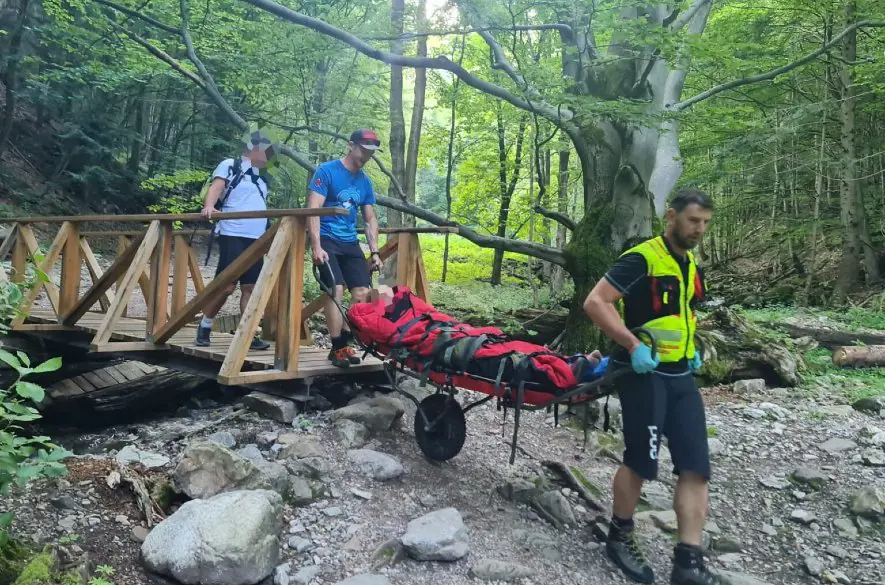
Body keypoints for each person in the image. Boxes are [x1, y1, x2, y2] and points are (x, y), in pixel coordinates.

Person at [583, 189, 727, 585]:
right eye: (693, 220)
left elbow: (683, 310)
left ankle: (688, 562)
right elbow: (596, 302)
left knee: (696, 468)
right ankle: (619, 536)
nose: (700, 229)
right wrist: (632, 344)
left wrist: (692, 347)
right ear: (671, 217)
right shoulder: (642, 258)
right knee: (641, 462)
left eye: (705, 223)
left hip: (681, 377)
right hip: (643, 375)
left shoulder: (690, 263)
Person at [307, 128, 383, 368]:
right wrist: (316, 246)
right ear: (351, 145)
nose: (367, 156)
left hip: (350, 241)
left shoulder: (365, 181)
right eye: (364, 150)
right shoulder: (326, 171)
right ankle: (337, 347)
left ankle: (348, 340)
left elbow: (370, 218)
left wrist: (375, 252)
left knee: (362, 294)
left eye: (371, 153)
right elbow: (313, 210)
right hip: (327, 239)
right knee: (336, 288)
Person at [194, 130, 274, 350]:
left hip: (257, 237)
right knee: (227, 286)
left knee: (250, 287)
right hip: (233, 232)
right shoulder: (230, 165)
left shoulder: (262, 176)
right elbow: (217, 186)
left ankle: (249, 334)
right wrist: (209, 206)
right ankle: (205, 324)